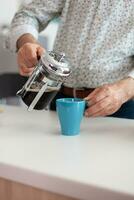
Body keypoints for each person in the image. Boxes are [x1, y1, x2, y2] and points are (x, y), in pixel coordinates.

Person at [7, 0, 134, 119]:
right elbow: (28, 15)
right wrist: (26, 42)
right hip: (60, 100)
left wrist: (125, 90)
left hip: (119, 106)